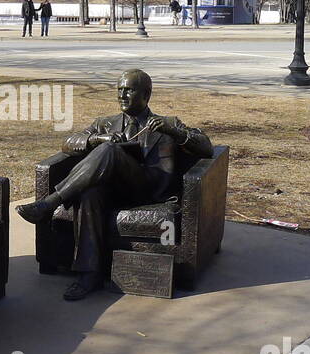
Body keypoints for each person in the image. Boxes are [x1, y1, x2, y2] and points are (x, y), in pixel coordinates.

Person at [16, 69, 213, 301]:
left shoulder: (168, 124)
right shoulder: (105, 124)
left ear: (146, 94)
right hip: (112, 191)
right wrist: (99, 139)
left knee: (110, 151)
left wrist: (172, 131)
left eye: (129, 90)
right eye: (119, 90)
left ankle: (50, 203)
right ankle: (89, 275)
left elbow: (206, 148)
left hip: (148, 190)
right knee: (90, 192)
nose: (122, 95)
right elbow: (68, 143)